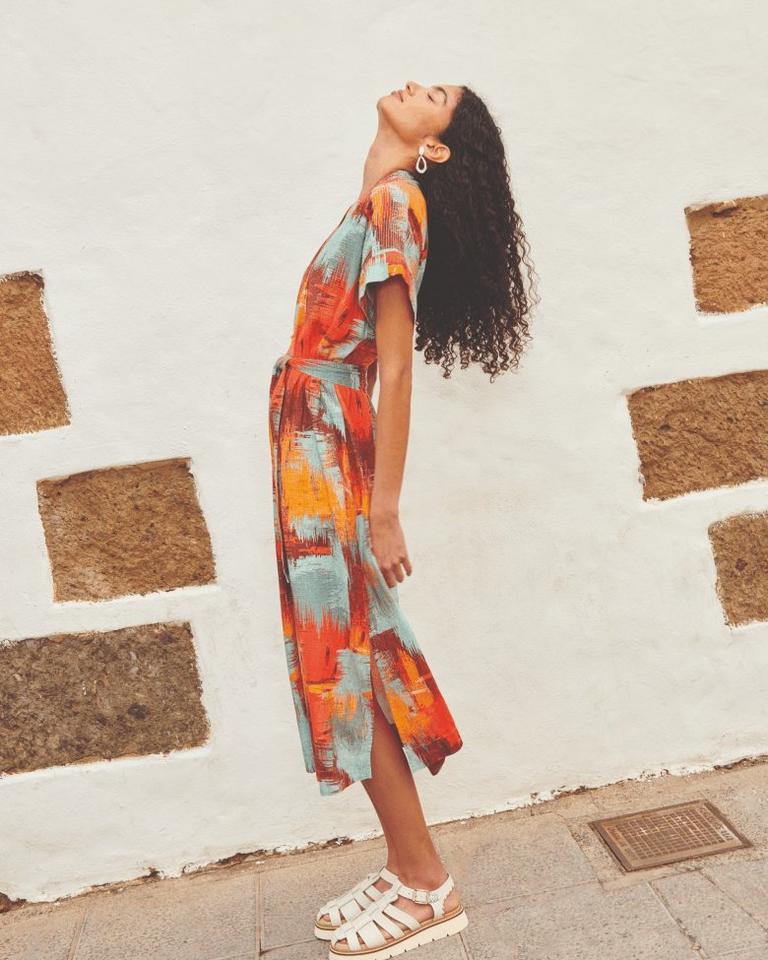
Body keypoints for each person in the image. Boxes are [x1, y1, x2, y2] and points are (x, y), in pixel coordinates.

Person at [268, 80, 536, 959]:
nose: (420, 85)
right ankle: (404, 861)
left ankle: (425, 881)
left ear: (439, 147)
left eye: (440, 99)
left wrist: (384, 508)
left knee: (350, 654)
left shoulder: (395, 204)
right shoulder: (380, 196)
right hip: (314, 435)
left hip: (329, 447)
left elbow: (397, 366)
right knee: (348, 651)